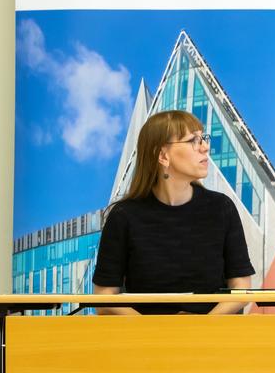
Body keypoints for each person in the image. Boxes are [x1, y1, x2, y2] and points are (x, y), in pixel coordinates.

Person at [92, 110, 254, 315]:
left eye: (203, 138)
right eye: (193, 140)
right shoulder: (123, 216)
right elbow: (104, 296)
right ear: (162, 155)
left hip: (212, 338)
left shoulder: (221, 208)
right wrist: (156, 331)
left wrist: (202, 328)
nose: (205, 147)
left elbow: (241, 288)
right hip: (145, 341)